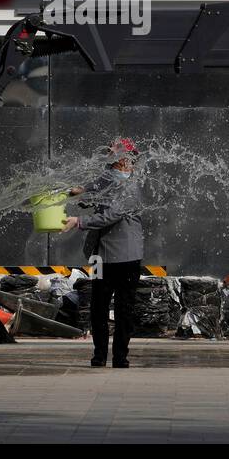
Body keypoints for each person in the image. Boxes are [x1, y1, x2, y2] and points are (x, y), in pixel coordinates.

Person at [63, 137, 144, 367]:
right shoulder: (109, 179)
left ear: (127, 162)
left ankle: (120, 357)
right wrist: (70, 192)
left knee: (123, 310)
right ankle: (99, 355)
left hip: (126, 258)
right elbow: (90, 187)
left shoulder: (132, 188)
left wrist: (78, 221)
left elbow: (111, 216)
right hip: (100, 257)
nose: (111, 163)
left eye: (115, 158)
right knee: (98, 307)